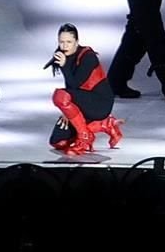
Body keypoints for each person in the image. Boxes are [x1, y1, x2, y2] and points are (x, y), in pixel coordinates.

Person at [46, 23, 124, 156]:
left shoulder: (88, 56)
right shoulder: (65, 56)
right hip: (83, 103)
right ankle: (106, 124)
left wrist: (64, 66)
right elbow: (71, 89)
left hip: (99, 103)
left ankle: (85, 137)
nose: (64, 46)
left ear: (76, 42)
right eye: (61, 42)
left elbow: (75, 85)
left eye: (69, 42)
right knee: (58, 142)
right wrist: (67, 111)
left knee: (59, 95)